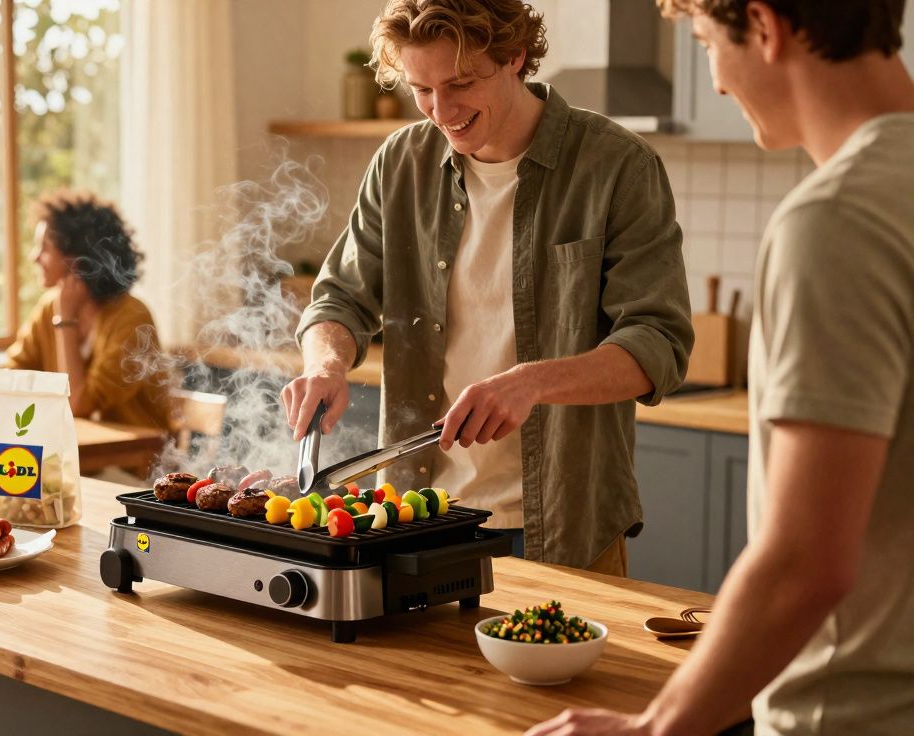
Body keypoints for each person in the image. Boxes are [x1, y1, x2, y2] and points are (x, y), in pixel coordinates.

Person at [529, 1, 914, 734]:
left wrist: (655, 728)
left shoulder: (836, 221)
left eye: (705, 43)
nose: (717, 81)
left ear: (765, 29)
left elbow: (805, 565)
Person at [280, 0, 693, 573]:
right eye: (421, 89)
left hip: (566, 524)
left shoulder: (617, 167)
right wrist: (325, 363)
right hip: (418, 520)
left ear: (515, 56)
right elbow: (340, 298)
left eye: (460, 83)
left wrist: (531, 383)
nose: (441, 111)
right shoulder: (400, 165)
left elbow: (659, 343)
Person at [0, 191, 173, 432]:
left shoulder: (132, 318)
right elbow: (19, 369)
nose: (34, 257)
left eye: (44, 247)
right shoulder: (49, 307)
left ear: (76, 258)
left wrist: (65, 322)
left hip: (135, 462)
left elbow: (77, 404)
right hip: (84, 457)